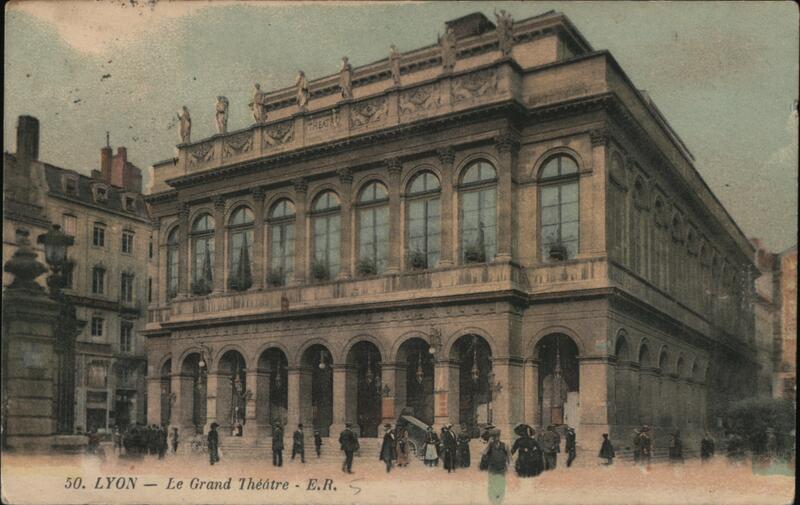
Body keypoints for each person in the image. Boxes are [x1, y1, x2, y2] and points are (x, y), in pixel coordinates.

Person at [483, 430, 509, 505]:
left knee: (501, 484)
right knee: (492, 485)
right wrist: (488, 444)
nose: (496, 438)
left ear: (499, 436)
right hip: (492, 468)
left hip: (502, 468)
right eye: (494, 436)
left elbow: (508, 456)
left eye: (497, 436)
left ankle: (500, 500)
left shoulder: (504, 445)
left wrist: (508, 465)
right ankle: (492, 501)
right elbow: (484, 453)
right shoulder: (490, 445)